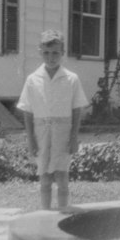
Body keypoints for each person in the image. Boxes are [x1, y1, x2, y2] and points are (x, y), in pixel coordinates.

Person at [18, 30, 89, 210]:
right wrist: (31, 139)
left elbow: (76, 110)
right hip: (41, 132)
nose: (51, 57)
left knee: (62, 176)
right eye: (47, 53)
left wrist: (73, 137)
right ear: (40, 52)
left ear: (62, 53)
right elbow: (27, 111)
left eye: (55, 53)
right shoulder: (33, 79)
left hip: (62, 132)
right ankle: (45, 214)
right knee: (45, 178)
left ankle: (63, 213)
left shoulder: (71, 79)